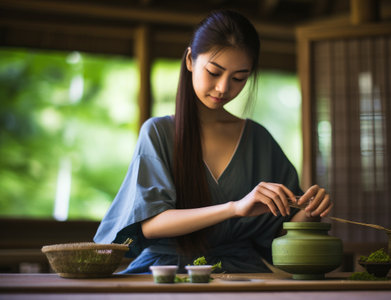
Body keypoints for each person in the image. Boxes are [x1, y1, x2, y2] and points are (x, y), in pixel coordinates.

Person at [94, 9, 332, 274]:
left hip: (243, 275)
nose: (223, 88)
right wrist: (234, 208)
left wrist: (310, 211)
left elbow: (283, 231)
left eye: (239, 78)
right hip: (166, 273)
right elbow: (150, 224)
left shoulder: (259, 139)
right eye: (214, 72)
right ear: (190, 61)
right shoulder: (159, 132)